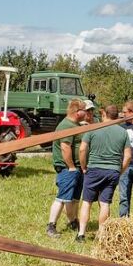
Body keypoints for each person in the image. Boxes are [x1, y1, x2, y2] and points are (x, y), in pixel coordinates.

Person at [77, 104, 131, 241]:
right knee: (105, 203)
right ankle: (101, 235)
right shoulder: (123, 132)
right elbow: (128, 156)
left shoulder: (93, 128)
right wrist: (120, 170)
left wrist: (83, 167)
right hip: (112, 171)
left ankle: (81, 234)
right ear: (117, 116)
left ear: (104, 115)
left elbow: (82, 149)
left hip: (94, 169)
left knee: (87, 202)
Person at [46, 100, 85, 237]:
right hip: (67, 168)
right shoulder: (67, 126)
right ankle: (51, 225)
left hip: (76, 168)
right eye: (84, 110)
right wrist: (71, 167)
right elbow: (65, 147)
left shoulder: (75, 125)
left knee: (74, 199)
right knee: (62, 198)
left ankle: (73, 221)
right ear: (77, 112)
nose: (86, 113)